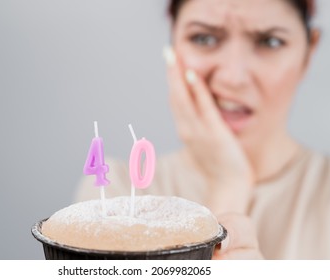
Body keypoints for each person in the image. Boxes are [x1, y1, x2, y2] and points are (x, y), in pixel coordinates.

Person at [76, 0, 330, 259]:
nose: (233, 77)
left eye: (270, 42)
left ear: (309, 52)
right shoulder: (114, 194)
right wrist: (228, 182)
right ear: (172, 47)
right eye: (204, 38)